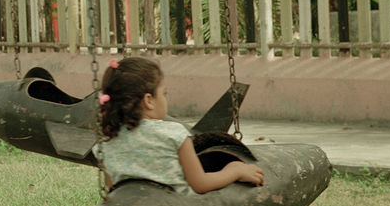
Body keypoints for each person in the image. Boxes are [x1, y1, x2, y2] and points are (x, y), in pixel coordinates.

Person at [96, 56, 264, 195]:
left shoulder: (106, 142)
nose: (165, 99)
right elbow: (200, 184)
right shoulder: (173, 134)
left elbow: (113, 191)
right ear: (149, 101)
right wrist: (234, 171)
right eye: (164, 93)